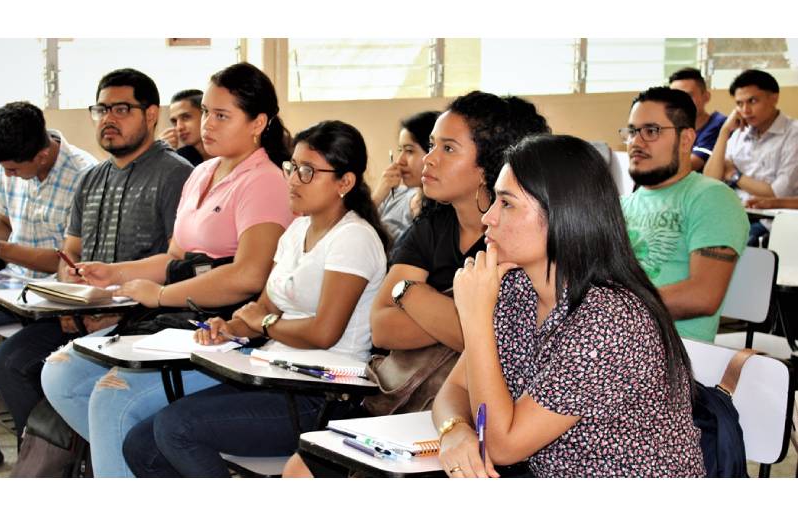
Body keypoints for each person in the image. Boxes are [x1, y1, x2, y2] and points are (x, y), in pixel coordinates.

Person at [40, 62, 296, 477]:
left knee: (111, 398)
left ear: (258, 123)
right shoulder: (201, 173)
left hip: (224, 331)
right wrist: (116, 273)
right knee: (61, 374)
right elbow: (175, 258)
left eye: (222, 115)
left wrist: (159, 296)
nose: (207, 124)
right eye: (207, 112)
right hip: (175, 320)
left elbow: (248, 276)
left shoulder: (264, 180)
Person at [284, 91, 550, 477]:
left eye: (448, 148)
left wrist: (411, 295)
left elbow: (486, 337)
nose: (428, 159)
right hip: (404, 402)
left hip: (476, 416)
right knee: (300, 470)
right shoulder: (431, 226)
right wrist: (432, 302)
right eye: (431, 146)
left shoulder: (515, 239)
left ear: (486, 165)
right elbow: (384, 327)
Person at [122, 120, 389, 477]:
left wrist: (264, 325)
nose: (292, 179)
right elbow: (264, 305)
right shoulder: (297, 229)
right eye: (292, 167)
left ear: (345, 182)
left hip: (321, 394)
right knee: (140, 444)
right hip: (274, 374)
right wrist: (229, 328)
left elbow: (324, 332)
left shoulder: (353, 238)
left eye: (307, 171)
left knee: (176, 428)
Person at [432, 134, 706, 478]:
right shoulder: (516, 285)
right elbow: (454, 390)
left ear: (563, 215)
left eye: (507, 204)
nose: (487, 218)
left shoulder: (611, 320)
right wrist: (454, 429)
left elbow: (502, 446)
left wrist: (475, 317)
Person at [0, 68, 193, 437]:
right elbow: (70, 255)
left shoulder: (176, 176)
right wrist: (71, 302)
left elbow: (177, 267)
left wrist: (111, 311)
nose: (108, 120)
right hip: (81, 314)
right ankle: (55, 455)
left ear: (150, 114)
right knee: (8, 362)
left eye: (121, 109)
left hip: (141, 320)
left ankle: (88, 453)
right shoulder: (92, 178)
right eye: (101, 110)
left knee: (69, 375)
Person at [0, 101, 97, 471]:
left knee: (7, 362)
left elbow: (70, 263)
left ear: (43, 156)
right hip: (10, 287)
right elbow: (4, 224)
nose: (7, 176)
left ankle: (47, 454)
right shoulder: (9, 162)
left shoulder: (84, 176)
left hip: (56, 298)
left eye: (13, 169)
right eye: (3, 169)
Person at [620, 87, 748, 343]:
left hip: (674, 356)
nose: (636, 142)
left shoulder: (710, 197)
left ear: (687, 139)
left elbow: (702, 295)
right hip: (615, 344)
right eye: (633, 131)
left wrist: (613, 309)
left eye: (651, 131)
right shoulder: (622, 205)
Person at [703, 69, 798, 244]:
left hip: (768, 220)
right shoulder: (739, 132)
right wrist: (724, 131)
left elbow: (777, 193)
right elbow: (709, 182)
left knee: (730, 244)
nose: (745, 110)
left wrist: (734, 175)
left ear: (774, 97)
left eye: (752, 101)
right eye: (739, 104)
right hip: (731, 214)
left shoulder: (793, 134)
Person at [370, 111, 439, 240]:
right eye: (400, 150)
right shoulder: (393, 196)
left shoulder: (443, 213)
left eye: (409, 151)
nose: (400, 161)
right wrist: (377, 196)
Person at [668, 67, 726, 171]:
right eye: (674, 96)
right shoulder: (672, 127)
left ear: (706, 97)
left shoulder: (719, 125)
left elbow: (689, 165)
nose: (681, 102)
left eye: (688, 96)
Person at [158, 89, 212, 166]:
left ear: (205, 114)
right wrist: (159, 154)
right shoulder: (180, 158)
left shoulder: (230, 153)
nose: (179, 127)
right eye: (174, 121)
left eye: (186, 117)